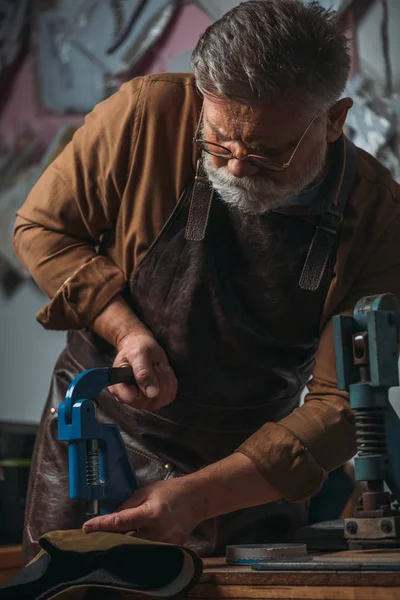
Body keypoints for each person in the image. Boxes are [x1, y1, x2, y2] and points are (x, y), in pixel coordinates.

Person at [14, 0, 400, 565]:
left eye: (269, 151)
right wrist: (126, 331)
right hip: (96, 445)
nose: (237, 166)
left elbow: (340, 404)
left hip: (247, 468)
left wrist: (199, 497)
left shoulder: (378, 214)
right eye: (217, 139)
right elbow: (43, 229)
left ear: (334, 120)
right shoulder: (147, 115)